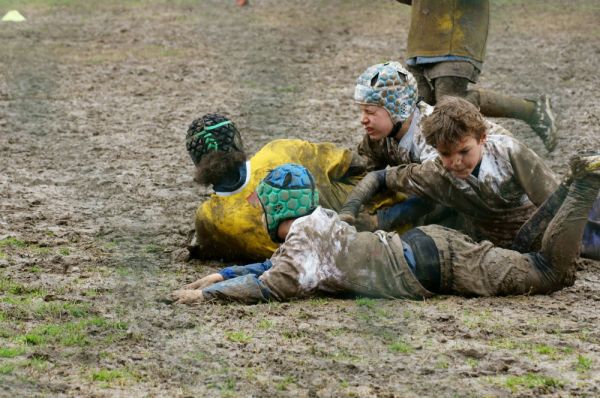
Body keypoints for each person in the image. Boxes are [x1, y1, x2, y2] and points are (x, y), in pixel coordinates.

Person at [171, 159, 600, 304]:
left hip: (443, 265)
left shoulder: (305, 240)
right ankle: (570, 186)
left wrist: (205, 296)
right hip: (432, 250)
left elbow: (273, 285)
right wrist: (219, 276)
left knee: (549, 272)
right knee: (526, 258)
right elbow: (277, 265)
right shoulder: (316, 226)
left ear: (276, 208)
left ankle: (583, 185)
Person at [185, 113, 367, 261]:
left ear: (198, 165)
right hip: (366, 221)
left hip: (315, 261)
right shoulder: (279, 151)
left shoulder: (208, 218)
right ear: (236, 142)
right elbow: (355, 164)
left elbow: (206, 249)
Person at [354, 61, 512, 230]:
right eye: (362, 111)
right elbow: (362, 164)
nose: (362, 119)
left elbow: (440, 189)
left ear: (399, 108)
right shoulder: (382, 134)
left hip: (501, 199)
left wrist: (382, 220)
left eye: (370, 112)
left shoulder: (433, 134)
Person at [395, 0, 558, 151]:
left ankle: (532, 112)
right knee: (418, 103)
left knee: (449, 103)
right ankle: (421, 165)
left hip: (456, 36)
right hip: (421, 39)